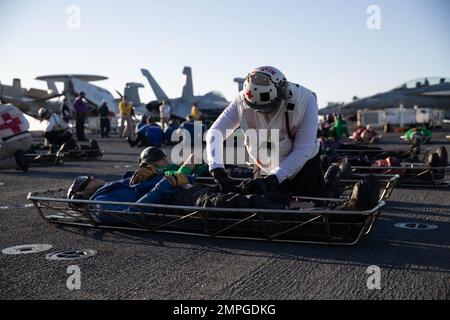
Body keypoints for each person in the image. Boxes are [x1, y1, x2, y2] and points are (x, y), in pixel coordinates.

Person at [206, 66, 327, 197]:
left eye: (268, 107)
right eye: (257, 108)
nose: (263, 113)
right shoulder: (241, 100)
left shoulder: (306, 100)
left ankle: (333, 175)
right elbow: (215, 132)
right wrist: (217, 171)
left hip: (303, 164)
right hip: (264, 162)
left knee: (311, 201)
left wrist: (273, 179)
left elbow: (303, 150)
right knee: (262, 203)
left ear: (282, 94)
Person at [0, 103, 32, 171]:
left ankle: (17, 162)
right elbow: (27, 123)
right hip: (27, 140)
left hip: (11, 144)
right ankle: (17, 157)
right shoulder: (12, 106)